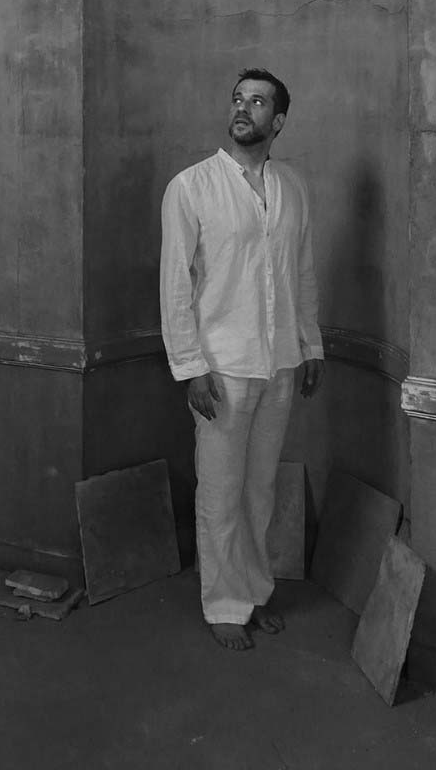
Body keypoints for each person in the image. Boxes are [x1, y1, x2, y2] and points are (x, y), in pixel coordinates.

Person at [159, 67, 324, 650]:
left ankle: (253, 591)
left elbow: (302, 271)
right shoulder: (192, 187)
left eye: (256, 102)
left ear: (277, 121)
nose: (242, 108)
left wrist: (310, 344)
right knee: (220, 491)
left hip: (278, 361)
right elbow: (175, 285)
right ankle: (224, 604)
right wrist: (191, 368)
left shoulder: (293, 187)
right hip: (221, 367)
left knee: (259, 491)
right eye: (237, 99)